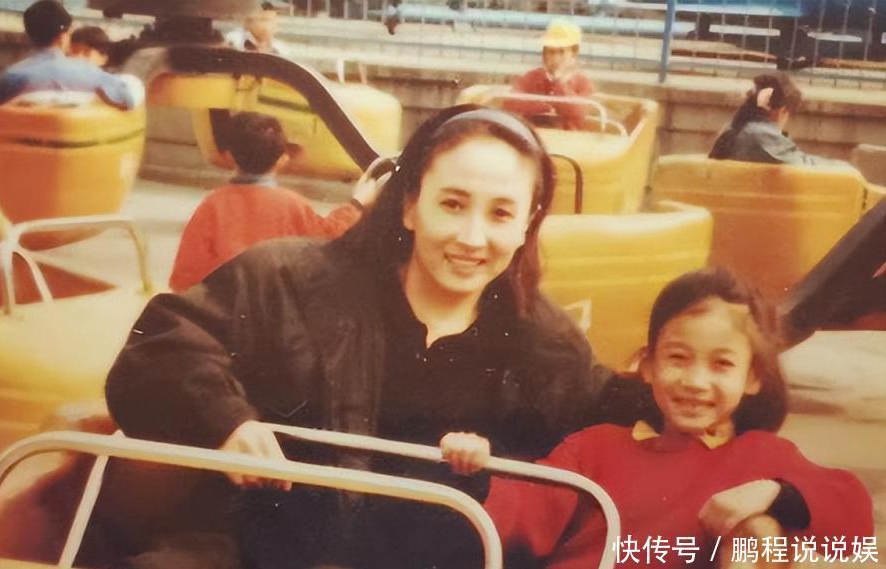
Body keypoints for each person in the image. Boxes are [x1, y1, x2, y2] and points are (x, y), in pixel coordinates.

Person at [99, 105, 628, 569]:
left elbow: (611, 419)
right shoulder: (285, 279)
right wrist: (227, 420)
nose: (472, 237)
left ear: (527, 224)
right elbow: (160, 346)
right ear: (409, 204)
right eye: (452, 204)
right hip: (249, 548)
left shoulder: (547, 345)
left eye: (501, 214)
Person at [443, 267, 874, 568]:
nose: (695, 381)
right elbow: (521, 512)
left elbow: (853, 524)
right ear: (648, 365)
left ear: (752, 377)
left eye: (722, 365)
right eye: (678, 358)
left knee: (760, 533)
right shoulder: (595, 447)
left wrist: (772, 493)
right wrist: (477, 468)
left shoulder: (763, 455)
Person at [169, 112, 373, 292]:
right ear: (282, 159)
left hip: (225, 310)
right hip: (277, 310)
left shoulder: (212, 205)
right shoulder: (293, 205)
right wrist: (357, 203)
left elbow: (184, 278)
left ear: (229, 156)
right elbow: (329, 236)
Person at [0, 0, 136, 110]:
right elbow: (128, 98)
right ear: (63, 36)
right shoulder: (89, 72)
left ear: (30, 35)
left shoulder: (7, 79)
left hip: (23, 142)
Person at [709, 73, 847, 167]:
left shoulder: (733, 128)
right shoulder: (763, 135)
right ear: (781, 110)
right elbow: (804, 165)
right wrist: (842, 165)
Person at [506, 21, 594, 131]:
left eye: (561, 52)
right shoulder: (530, 78)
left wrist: (560, 84)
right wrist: (545, 107)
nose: (555, 58)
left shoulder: (582, 82)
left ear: (573, 54)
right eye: (551, 52)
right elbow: (510, 104)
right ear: (544, 54)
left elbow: (580, 114)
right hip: (534, 133)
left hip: (568, 136)